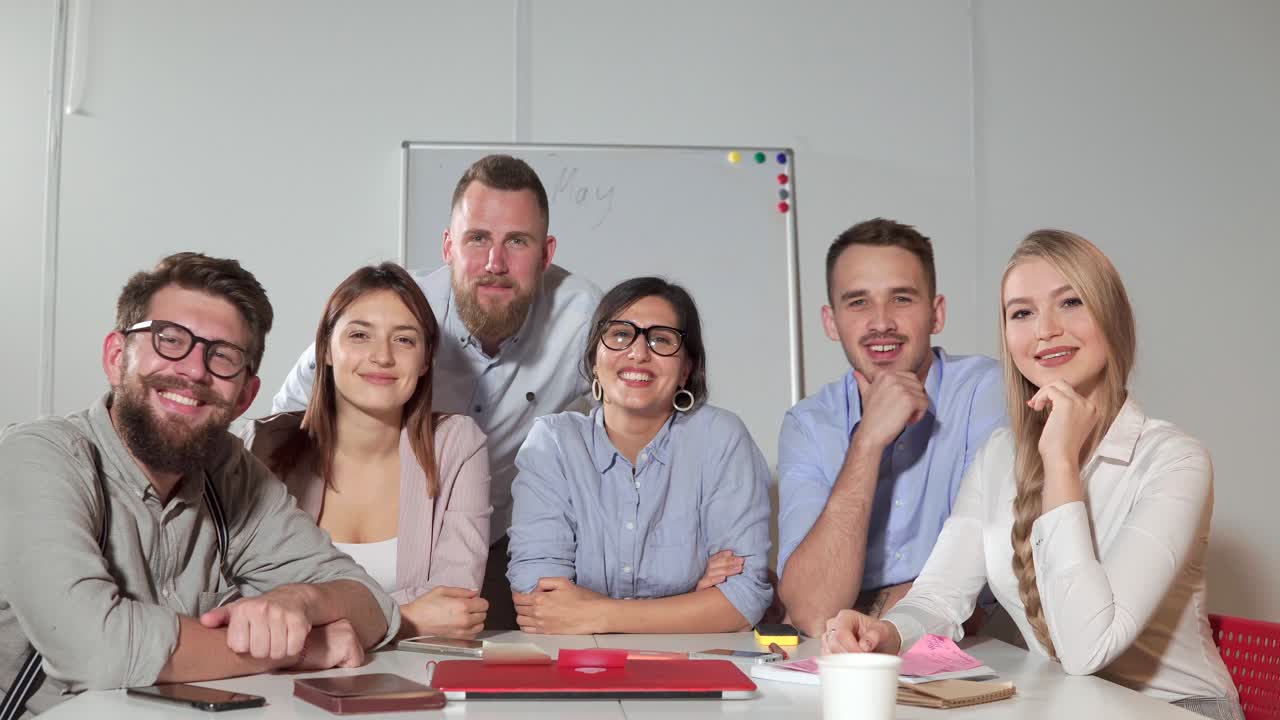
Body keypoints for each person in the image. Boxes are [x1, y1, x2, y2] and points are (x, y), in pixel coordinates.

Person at [823, 230, 1242, 720]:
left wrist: (1060, 462)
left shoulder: (1174, 461)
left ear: (1113, 318)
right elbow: (940, 593)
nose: (1045, 330)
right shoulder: (999, 455)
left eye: (1070, 302)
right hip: (1069, 704)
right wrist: (887, 633)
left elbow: (1087, 648)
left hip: (1176, 708)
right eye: (1021, 313)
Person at [0, 253, 398, 718]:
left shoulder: (229, 469)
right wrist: (297, 648)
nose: (193, 370)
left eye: (223, 356)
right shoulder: (39, 457)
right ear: (115, 357)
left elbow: (374, 606)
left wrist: (302, 600)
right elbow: (96, 651)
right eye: (169, 340)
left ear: (246, 394)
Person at [271, 155, 600, 629]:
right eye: (477, 238)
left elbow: (649, 418)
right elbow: (289, 424)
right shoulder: (396, 311)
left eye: (518, 242)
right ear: (448, 246)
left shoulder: (584, 318)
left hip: (500, 542)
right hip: (388, 536)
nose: (495, 263)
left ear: (547, 254)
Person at [777, 218, 1006, 637]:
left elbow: (984, 579)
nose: (881, 322)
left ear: (936, 314)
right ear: (831, 322)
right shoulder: (808, 423)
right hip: (846, 659)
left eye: (901, 299)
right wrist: (867, 441)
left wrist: (869, 607)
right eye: (858, 302)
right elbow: (812, 611)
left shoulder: (986, 391)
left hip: (974, 653)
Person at [506, 277, 773, 634]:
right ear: (594, 358)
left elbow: (745, 599)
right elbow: (537, 601)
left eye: (661, 339)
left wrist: (596, 614)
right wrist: (693, 605)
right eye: (620, 335)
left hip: (692, 666)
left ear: (686, 370)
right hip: (575, 666)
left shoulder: (720, 438)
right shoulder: (553, 443)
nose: (638, 352)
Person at [244, 263, 491, 640]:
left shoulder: (457, 444)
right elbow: (251, 601)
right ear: (325, 350)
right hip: (283, 681)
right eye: (360, 335)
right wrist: (407, 618)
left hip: (416, 683)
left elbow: (455, 603)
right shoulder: (262, 445)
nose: (383, 357)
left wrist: (316, 615)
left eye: (405, 340)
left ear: (426, 361)